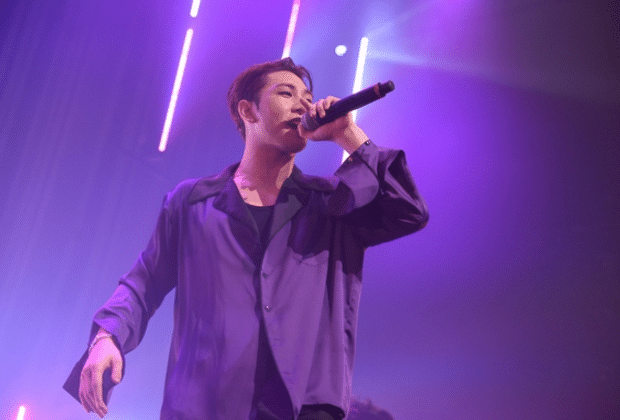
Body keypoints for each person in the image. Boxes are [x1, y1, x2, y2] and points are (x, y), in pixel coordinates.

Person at [64, 57, 429, 419]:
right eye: (286, 93)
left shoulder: (332, 203)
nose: (303, 105)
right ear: (248, 111)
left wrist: (347, 135)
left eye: (308, 97)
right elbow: (143, 283)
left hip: (304, 408)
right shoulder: (192, 202)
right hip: (206, 406)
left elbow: (408, 210)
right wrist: (106, 338)